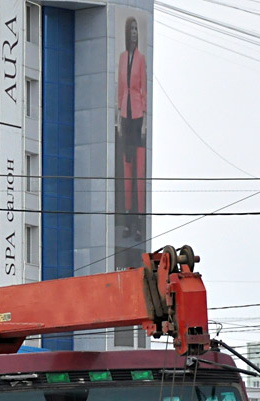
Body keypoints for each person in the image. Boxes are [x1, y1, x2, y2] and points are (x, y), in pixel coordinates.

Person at [116, 15, 147, 239]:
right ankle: (127, 221)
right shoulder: (122, 58)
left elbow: (144, 90)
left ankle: (138, 222)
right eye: (132, 30)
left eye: (137, 29)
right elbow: (120, 90)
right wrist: (119, 118)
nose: (134, 33)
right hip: (125, 117)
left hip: (137, 118)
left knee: (139, 170)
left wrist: (144, 120)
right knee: (127, 170)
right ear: (128, 34)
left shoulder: (141, 59)